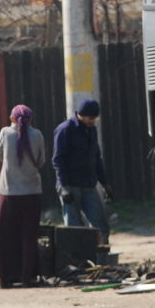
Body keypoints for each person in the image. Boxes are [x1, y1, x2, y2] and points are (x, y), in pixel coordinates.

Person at [0, 104, 46, 288]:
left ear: (12, 118)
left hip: (9, 192)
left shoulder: (5, 133)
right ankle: (28, 277)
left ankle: (3, 278)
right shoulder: (37, 135)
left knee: (5, 235)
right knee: (29, 235)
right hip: (32, 192)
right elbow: (41, 161)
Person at [52, 98, 113, 245]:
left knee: (101, 227)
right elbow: (58, 160)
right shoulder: (65, 129)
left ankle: (100, 265)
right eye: (91, 118)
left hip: (88, 185)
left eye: (95, 118)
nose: (94, 121)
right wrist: (64, 187)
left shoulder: (91, 130)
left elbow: (96, 158)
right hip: (70, 186)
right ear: (81, 115)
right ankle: (80, 266)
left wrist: (105, 183)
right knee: (75, 230)